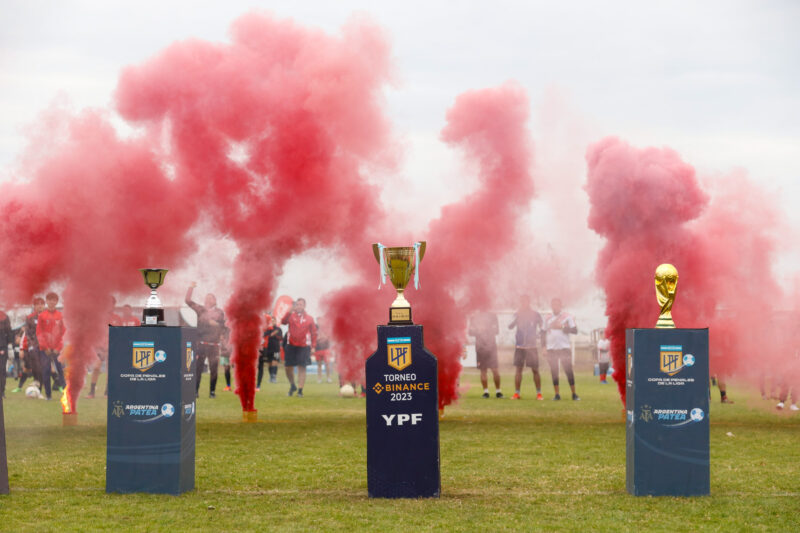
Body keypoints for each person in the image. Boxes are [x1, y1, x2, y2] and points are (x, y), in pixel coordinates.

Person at [185, 282, 227, 398]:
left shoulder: (219, 312)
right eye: (206, 298)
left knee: (214, 369)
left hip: (214, 345)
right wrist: (191, 287)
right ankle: (195, 392)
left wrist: (215, 324)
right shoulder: (201, 310)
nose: (207, 300)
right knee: (198, 368)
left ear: (215, 301)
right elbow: (188, 301)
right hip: (201, 344)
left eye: (210, 298)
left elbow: (223, 326)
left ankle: (212, 392)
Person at [508, 295, 543, 400]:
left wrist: (537, 336)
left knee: (535, 370)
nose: (523, 303)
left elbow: (543, 327)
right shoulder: (517, 314)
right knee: (518, 370)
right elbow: (510, 326)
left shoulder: (535, 314)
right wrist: (517, 317)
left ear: (529, 302)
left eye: (525, 301)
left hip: (532, 346)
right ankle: (517, 393)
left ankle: (539, 394)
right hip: (520, 347)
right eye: (522, 301)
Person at [544, 298, 579, 401]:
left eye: (557, 305)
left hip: (564, 347)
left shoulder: (567, 316)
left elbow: (575, 330)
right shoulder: (547, 317)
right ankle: (557, 394)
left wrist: (562, 327)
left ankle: (574, 394)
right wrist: (543, 347)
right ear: (551, 306)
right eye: (553, 305)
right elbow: (542, 332)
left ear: (561, 306)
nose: (555, 307)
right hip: (551, 348)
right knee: (554, 371)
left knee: (568, 370)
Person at [281, 298, 316, 398]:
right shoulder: (291, 316)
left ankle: (300, 390)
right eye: (297, 304)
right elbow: (283, 322)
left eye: (301, 304)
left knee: (302, 367)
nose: (299, 306)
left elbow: (314, 333)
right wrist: (289, 311)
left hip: (304, 346)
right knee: (288, 367)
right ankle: (292, 385)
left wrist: (313, 346)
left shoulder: (309, 318)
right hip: (291, 345)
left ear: (304, 306)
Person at [88, 297, 122, 398]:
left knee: (109, 370)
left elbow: (120, 334)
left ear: (114, 305)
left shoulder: (117, 318)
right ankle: (92, 392)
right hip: (100, 348)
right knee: (96, 368)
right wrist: (98, 347)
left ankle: (107, 392)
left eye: (111, 304)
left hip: (112, 348)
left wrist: (112, 346)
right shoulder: (99, 318)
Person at [37, 292, 66, 400]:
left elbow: (63, 333)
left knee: (61, 371)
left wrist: (58, 348)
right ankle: (48, 395)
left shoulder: (61, 316)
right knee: (46, 371)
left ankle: (66, 394)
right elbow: (39, 333)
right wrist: (45, 347)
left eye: (54, 300)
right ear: (47, 301)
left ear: (56, 302)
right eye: (50, 300)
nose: (52, 302)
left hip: (57, 349)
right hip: (45, 350)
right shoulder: (42, 316)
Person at [13, 297, 44, 393]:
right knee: (30, 367)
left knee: (43, 368)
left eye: (41, 304)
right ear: (34, 306)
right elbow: (26, 334)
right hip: (31, 347)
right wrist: (22, 348)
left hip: (44, 346)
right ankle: (22, 386)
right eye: (37, 304)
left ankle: (40, 388)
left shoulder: (47, 316)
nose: (40, 306)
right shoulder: (30, 318)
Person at [469, 310, 502, 398]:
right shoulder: (474, 317)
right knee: (483, 370)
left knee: (495, 370)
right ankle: (486, 392)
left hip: (491, 347)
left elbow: (497, 331)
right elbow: (470, 332)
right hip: (480, 348)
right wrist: (478, 330)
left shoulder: (493, 316)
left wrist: (486, 329)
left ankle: (498, 392)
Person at [258, 315, 282, 389]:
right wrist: (271, 334)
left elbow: (280, 338)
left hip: (276, 348)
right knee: (269, 362)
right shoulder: (268, 328)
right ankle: (271, 377)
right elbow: (264, 335)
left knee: (275, 362)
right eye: (272, 321)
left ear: (276, 321)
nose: (272, 322)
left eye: (274, 320)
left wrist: (275, 335)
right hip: (268, 348)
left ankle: (274, 377)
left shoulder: (278, 329)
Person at [313, 317, 333, 384]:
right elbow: (314, 338)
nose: (320, 322)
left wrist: (330, 348)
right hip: (318, 349)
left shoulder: (326, 329)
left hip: (326, 349)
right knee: (319, 365)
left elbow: (329, 338)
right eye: (318, 321)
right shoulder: (315, 328)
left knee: (327, 364)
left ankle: (328, 378)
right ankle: (319, 379)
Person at [0, 307, 12, 398]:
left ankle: (1, 391)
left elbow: (9, 332)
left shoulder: (4, 317)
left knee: (1, 370)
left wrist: (10, 346)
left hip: (2, 347)